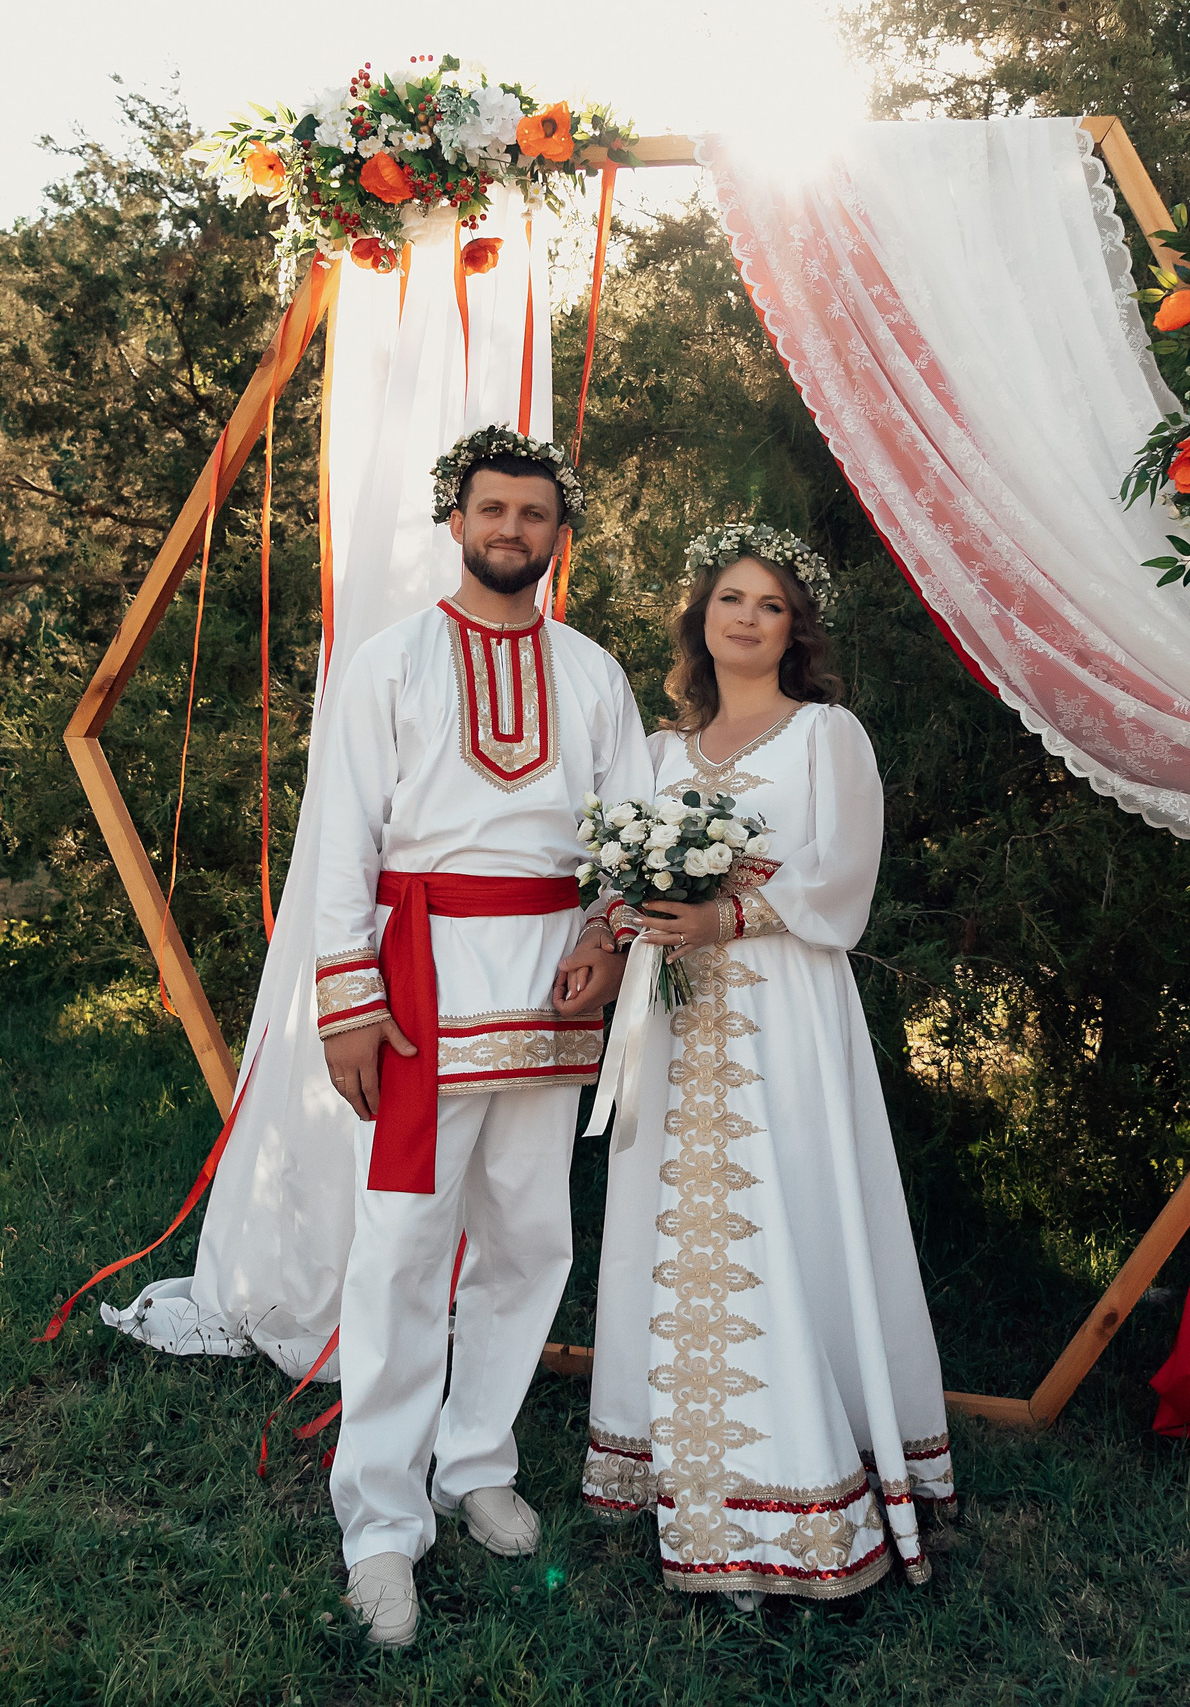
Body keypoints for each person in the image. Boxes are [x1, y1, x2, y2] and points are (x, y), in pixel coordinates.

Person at [313, 427, 651, 1646]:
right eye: (492, 509)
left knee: (528, 1233)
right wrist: (349, 999)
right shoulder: (391, 662)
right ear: (454, 521)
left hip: (551, 985)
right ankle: (379, 1521)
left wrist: (608, 934)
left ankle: (475, 1461)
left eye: (534, 513)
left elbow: (626, 832)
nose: (513, 529)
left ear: (560, 533)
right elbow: (341, 839)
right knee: (402, 1246)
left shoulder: (592, 674)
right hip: (421, 984)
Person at [581, 523, 955, 1607]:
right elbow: (611, 872)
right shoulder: (658, 753)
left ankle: (794, 1484)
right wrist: (615, 924)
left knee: (786, 1214)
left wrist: (730, 915)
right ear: (701, 616)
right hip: (674, 1020)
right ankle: (676, 1467)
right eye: (731, 599)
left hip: (783, 1014)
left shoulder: (826, 735)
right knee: (669, 1224)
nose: (746, 618)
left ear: (797, 631)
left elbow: (845, 875)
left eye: (771, 605)